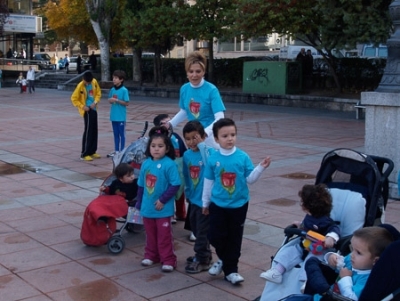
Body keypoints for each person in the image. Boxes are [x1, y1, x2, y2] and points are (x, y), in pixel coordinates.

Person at [203, 118, 271, 285]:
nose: (230, 138)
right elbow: (208, 182)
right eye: (225, 135)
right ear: (216, 139)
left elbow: (250, 179)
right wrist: (205, 203)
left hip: (239, 205)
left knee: (234, 237)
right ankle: (224, 260)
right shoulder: (213, 159)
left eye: (233, 135)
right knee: (215, 235)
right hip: (218, 204)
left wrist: (260, 167)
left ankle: (231, 271)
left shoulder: (242, 157)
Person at [284, 226, 394, 301]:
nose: (352, 254)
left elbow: (351, 298)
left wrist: (346, 278)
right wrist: (332, 257)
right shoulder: (353, 261)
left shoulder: (367, 280)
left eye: (358, 252)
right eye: (352, 249)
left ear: (375, 261)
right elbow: (339, 264)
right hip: (320, 297)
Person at [260, 184, 340, 283]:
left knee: (311, 262)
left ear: (310, 206)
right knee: (288, 252)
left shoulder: (325, 220)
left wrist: (330, 238)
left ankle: (307, 282)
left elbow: (334, 229)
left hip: (318, 250)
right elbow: (306, 225)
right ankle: (277, 272)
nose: (301, 204)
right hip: (304, 245)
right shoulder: (309, 216)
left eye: (302, 202)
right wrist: (300, 225)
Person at [134, 126, 181, 272]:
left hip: (163, 209)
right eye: (153, 146)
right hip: (148, 208)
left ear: (167, 149)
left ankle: (168, 259)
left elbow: (175, 185)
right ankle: (151, 255)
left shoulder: (169, 164)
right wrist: (139, 203)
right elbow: (141, 185)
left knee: (164, 235)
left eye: (160, 146)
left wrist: (163, 200)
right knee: (150, 234)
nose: (156, 149)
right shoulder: (146, 163)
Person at [167, 51, 226, 148]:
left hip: (210, 138)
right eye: (191, 71)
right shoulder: (184, 89)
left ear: (203, 72)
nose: (194, 75)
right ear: (187, 72)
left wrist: (205, 133)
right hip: (192, 137)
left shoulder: (211, 90)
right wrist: (170, 124)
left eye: (198, 71)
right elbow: (185, 111)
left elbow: (220, 117)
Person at [182, 120, 216, 274]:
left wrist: (202, 145)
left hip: (206, 201)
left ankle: (203, 260)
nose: (191, 142)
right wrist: (188, 193)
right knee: (196, 229)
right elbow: (186, 176)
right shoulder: (187, 155)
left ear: (203, 136)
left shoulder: (209, 151)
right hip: (194, 199)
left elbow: (210, 165)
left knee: (202, 231)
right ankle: (205, 255)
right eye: (188, 139)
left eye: (195, 138)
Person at [153, 113, 187, 222]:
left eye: (169, 121)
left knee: (180, 192)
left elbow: (184, 152)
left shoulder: (176, 137)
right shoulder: (156, 139)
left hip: (178, 170)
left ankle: (181, 213)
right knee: (167, 191)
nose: (169, 124)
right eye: (165, 122)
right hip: (164, 171)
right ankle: (170, 214)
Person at [70, 71, 102, 161]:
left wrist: (95, 102)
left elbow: (98, 93)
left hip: (94, 109)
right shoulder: (80, 85)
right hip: (86, 110)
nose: (87, 83)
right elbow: (74, 98)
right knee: (88, 131)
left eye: (89, 82)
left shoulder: (94, 82)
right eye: (86, 82)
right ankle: (84, 153)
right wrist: (82, 106)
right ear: (83, 79)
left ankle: (92, 151)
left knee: (94, 130)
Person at [106, 70, 130, 158]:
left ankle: (122, 150)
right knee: (115, 134)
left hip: (121, 117)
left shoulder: (124, 90)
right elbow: (109, 99)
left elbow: (127, 103)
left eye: (116, 78)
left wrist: (117, 100)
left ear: (121, 80)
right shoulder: (112, 89)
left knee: (121, 134)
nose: (114, 80)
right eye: (113, 78)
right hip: (114, 116)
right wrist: (110, 100)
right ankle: (116, 150)